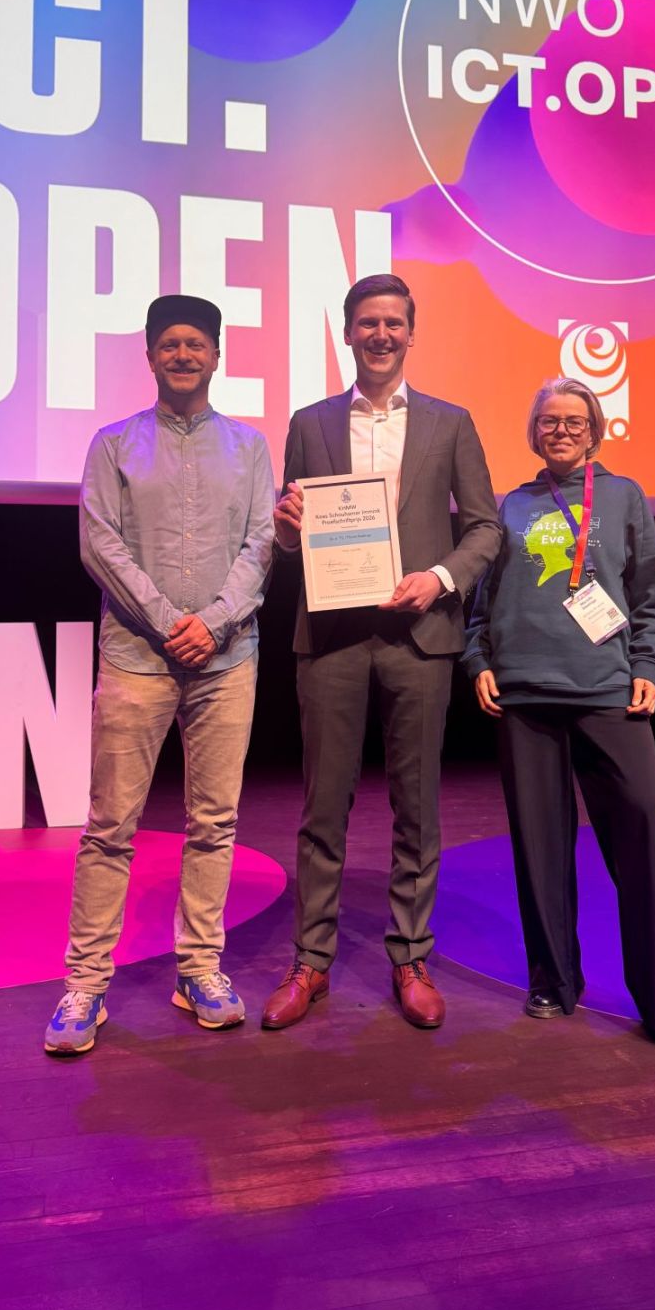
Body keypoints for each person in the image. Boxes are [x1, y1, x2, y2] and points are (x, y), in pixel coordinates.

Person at [461, 377, 655, 1051]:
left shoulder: (623, 497)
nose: (560, 431)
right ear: (533, 431)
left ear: (594, 431)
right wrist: (478, 661)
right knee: (539, 848)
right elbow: (482, 603)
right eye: (549, 421)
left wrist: (647, 666)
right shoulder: (511, 504)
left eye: (573, 421)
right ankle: (552, 981)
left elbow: (653, 595)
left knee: (644, 841)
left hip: (607, 691)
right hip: (524, 695)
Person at [263, 274, 501, 1030]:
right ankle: (311, 959)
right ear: (347, 333)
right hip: (332, 636)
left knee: (416, 807)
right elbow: (294, 534)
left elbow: (485, 527)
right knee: (322, 806)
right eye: (367, 322)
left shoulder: (450, 423)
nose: (381, 334)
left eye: (393, 323)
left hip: (418, 637)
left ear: (411, 333)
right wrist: (287, 532)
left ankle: (410, 954)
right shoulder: (310, 423)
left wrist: (440, 579)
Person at [44, 295, 274, 1055]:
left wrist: (214, 622)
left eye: (195, 344)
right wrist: (169, 620)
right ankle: (85, 984)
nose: (183, 355)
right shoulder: (112, 444)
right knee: (111, 826)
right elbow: (99, 544)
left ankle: (199, 969)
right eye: (169, 344)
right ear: (149, 357)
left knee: (215, 824)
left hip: (226, 661)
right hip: (137, 658)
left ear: (217, 356)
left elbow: (260, 545)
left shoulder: (249, 447)